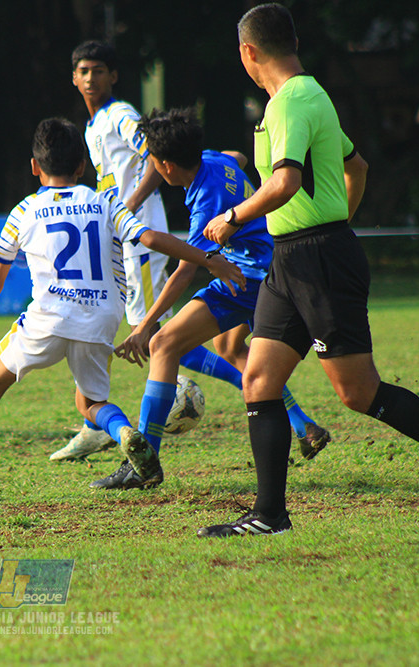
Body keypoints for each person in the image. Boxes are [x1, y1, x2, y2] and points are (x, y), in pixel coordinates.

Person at [196, 4, 419, 537]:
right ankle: (269, 516)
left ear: (249, 52)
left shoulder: (294, 100)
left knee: (357, 393)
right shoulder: (295, 100)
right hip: (292, 259)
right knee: (259, 379)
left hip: (318, 260)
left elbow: (286, 182)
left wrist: (233, 216)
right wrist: (337, 219)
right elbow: (355, 167)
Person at [0, 118, 246, 504]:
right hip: (101, 317)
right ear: (82, 166)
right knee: (91, 403)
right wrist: (209, 261)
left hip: (47, 317)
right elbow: (150, 237)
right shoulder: (105, 200)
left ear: (34, 166)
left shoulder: (25, 209)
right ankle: (125, 431)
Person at [90, 108, 329, 490]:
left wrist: (147, 325)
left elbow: (187, 268)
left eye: (151, 161)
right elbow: (239, 157)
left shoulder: (205, 203)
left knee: (164, 343)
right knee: (231, 348)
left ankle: (144, 462)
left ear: (165, 166)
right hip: (272, 267)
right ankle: (305, 427)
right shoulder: (214, 160)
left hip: (246, 277)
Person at [52, 39, 263, 462]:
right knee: (113, 328)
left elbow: (155, 155)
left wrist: (127, 207)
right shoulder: (92, 127)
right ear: (74, 78)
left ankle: (243, 386)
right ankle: (97, 422)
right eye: (83, 71)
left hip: (142, 238)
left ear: (113, 75)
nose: (91, 78)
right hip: (122, 240)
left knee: (157, 338)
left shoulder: (120, 115)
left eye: (98, 70)